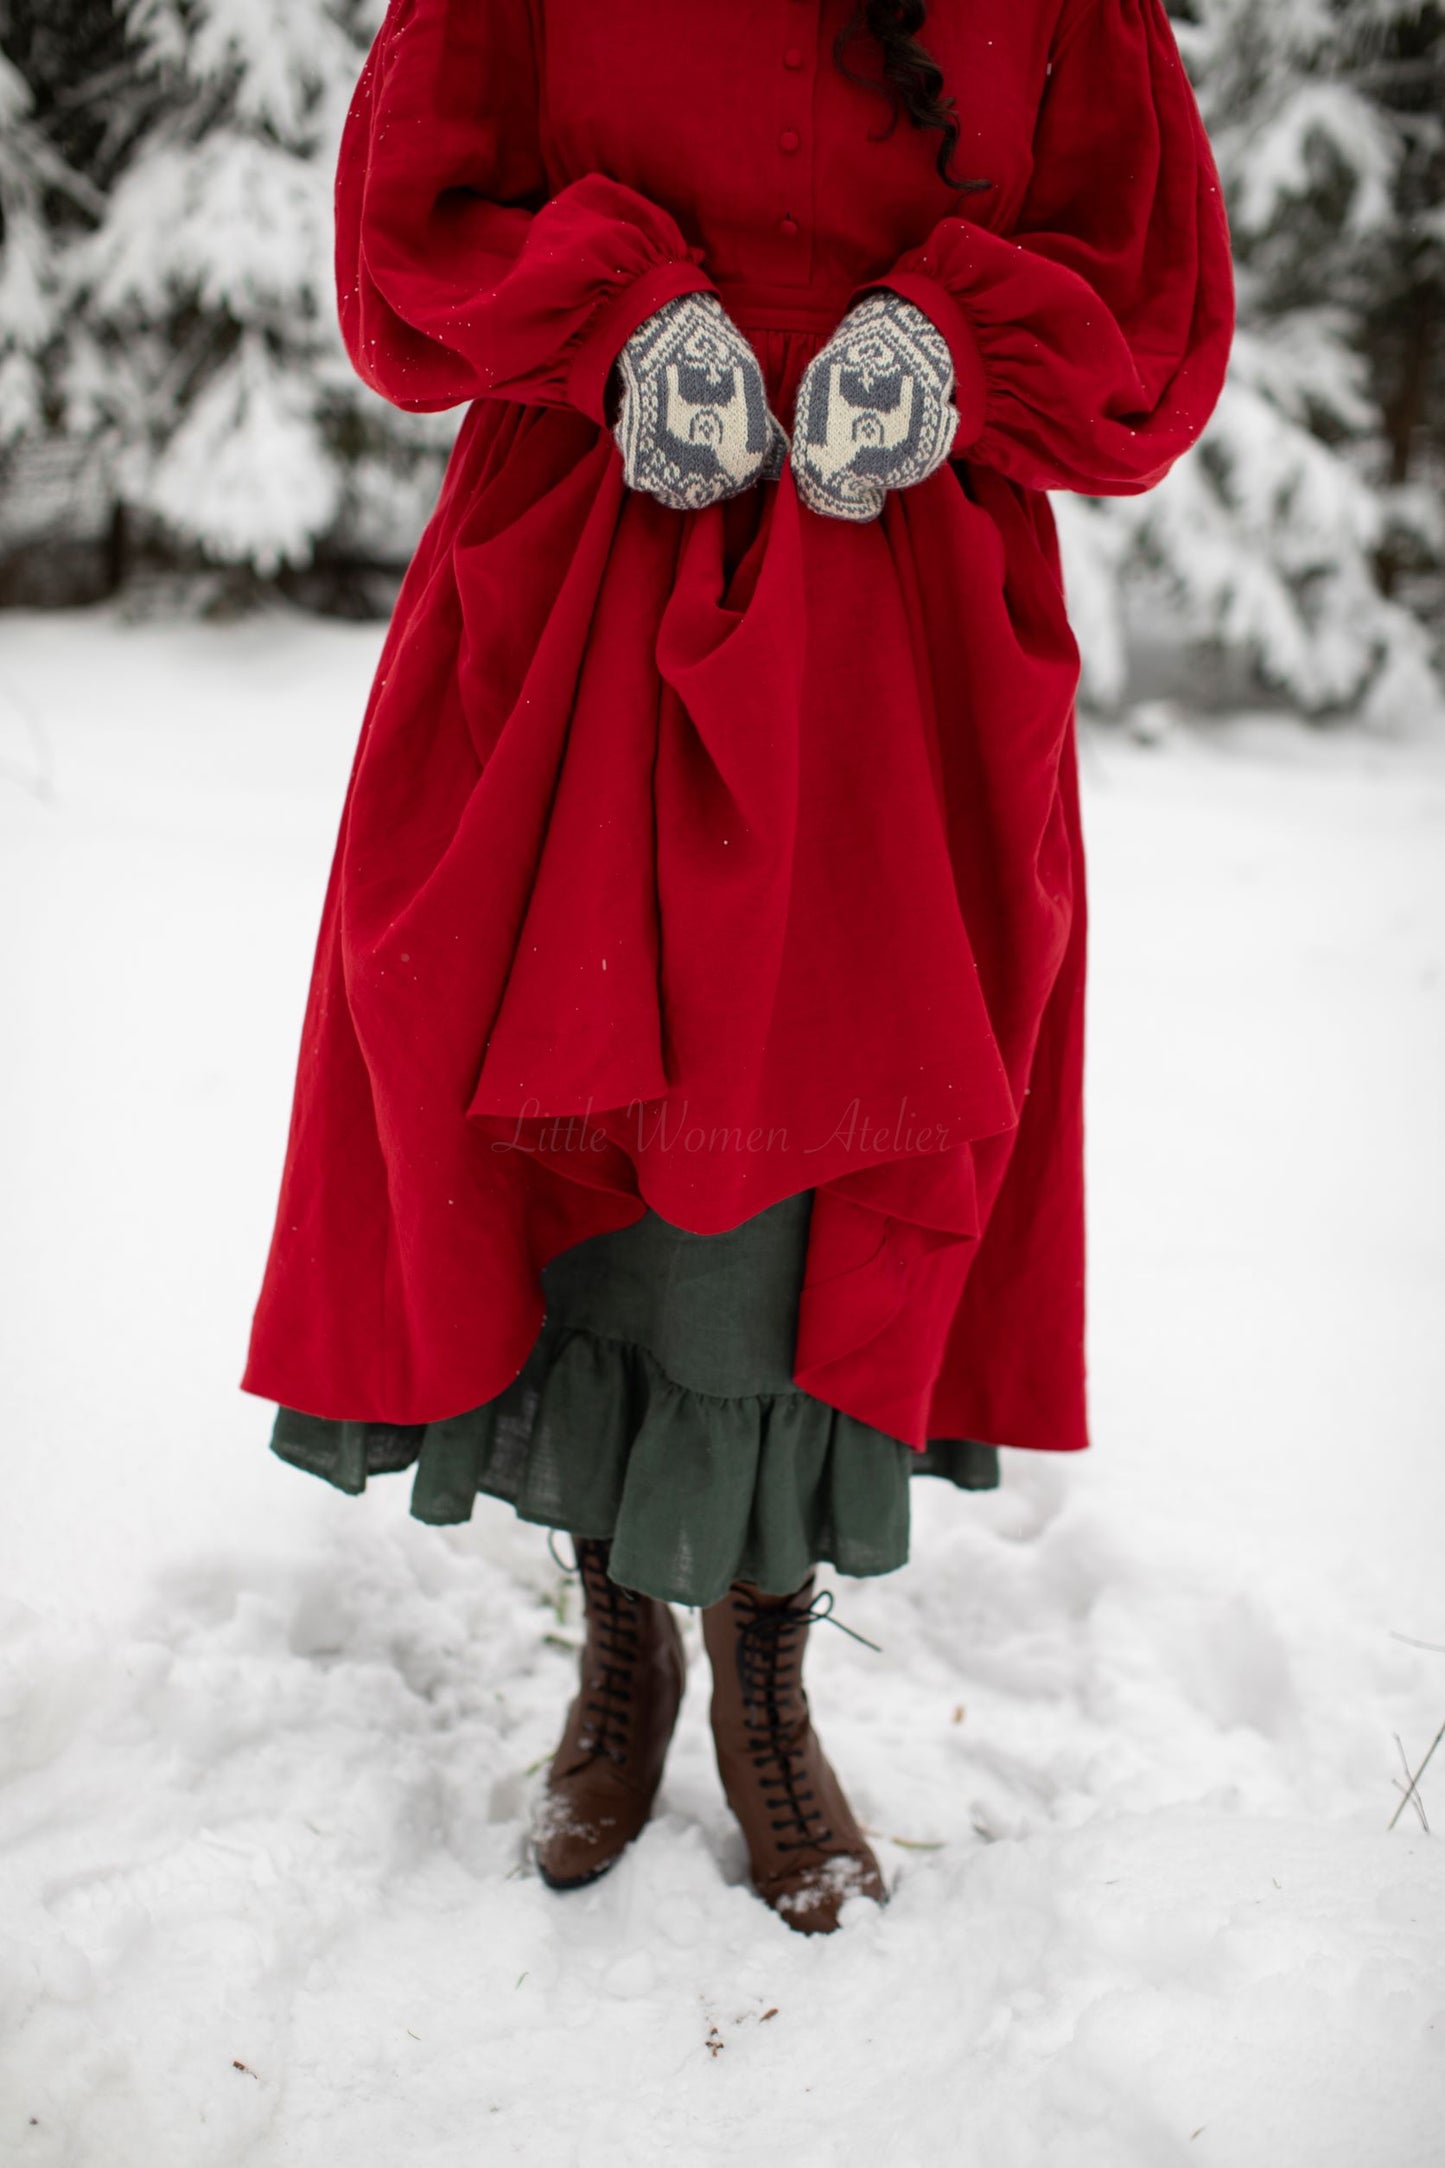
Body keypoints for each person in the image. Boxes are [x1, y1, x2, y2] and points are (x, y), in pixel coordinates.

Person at [242, 0, 1234, 1935]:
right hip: (589, 569)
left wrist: (949, 338)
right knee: (570, 1102)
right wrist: (617, 318)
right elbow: (403, 237)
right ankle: (625, 1650)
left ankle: (768, 1681)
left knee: (828, 1149)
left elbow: (1150, 298)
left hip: (896, 612)